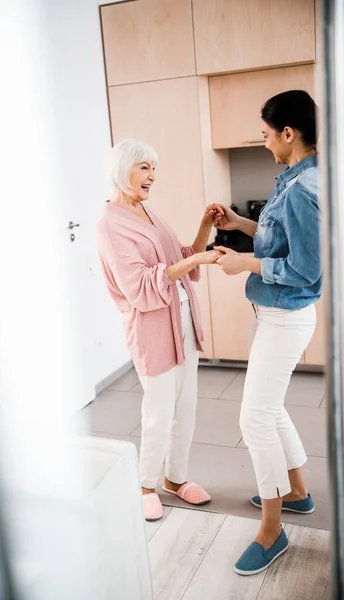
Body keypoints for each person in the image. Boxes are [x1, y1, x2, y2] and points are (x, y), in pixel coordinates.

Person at [212, 90, 321, 575]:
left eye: (265, 135)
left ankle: (272, 532)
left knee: (253, 420)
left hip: (286, 317)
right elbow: (282, 236)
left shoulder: (303, 189)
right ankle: (296, 492)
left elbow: (306, 269)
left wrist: (244, 264)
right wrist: (240, 223)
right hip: (277, 316)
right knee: (269, 409)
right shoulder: (296, 179)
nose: (264, 143)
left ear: (288, 133)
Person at [96, 139, 222, 521]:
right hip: (151, 328)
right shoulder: (109, 223)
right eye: (145, 168)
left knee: (186, 406)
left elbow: (181, 259)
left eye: (154, 167)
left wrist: (203, 229)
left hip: (183, 321)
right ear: (124, 170)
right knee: (158, 410)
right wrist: (195, 259)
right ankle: (146, 485)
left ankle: (176, 480)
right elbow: (139, 285)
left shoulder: (148, 212)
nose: (153, 176)